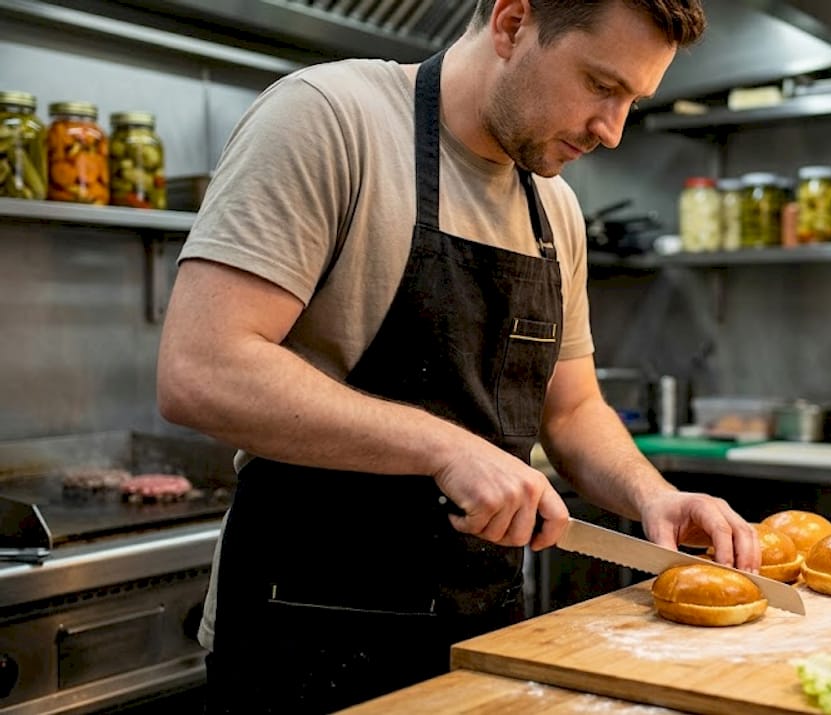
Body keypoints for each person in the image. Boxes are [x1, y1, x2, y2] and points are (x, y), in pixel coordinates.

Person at [156, 0, 761, 712]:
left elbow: (572, 411)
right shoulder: (330, 119)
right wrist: (446, 447)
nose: (613, 129)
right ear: (512, 23)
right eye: (601, 85)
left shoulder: (556, 209)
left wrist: (653, 496)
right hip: (303, 638)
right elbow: (202, 369)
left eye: (633, 100)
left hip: (479, 638)